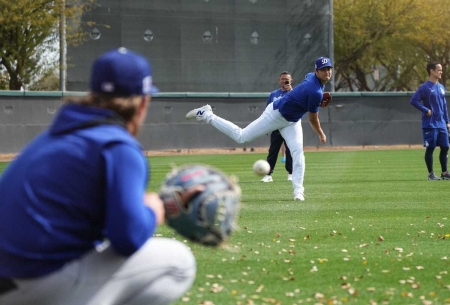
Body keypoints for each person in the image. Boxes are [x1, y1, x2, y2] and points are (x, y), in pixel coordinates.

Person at [0, 48, 198, 305]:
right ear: (143, 102)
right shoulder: (118, 147)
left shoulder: (53, 137)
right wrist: (155, 208)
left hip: (11, 282)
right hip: (34, 284)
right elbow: (127, 238)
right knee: (179, 262)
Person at [186, 56, 333, 201]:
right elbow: (313, 119)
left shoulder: (311, 78)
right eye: (323, 69)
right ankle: (207, 114)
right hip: (276, 114)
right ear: (316, 71)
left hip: (292, 121)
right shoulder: (315, 92)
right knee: (241, 137)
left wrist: (312, 101)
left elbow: (304, 94)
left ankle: (298, 192)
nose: (327, 72)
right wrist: (321, 133)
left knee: (298, 153)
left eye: (329, 69)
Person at [410, 61, 450, 181]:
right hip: (430, 124)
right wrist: (425, 110)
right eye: (439, 70)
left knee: (445, 146)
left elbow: (444, 106)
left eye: (441, 70)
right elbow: (413, 100)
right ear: (432, 71)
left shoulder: (441, 87)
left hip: (441, 124)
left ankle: (444, 172)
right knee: (431, 147)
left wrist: (447, 121)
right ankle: (431, 174)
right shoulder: (424, 87)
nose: (441, 72)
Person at [260, 71, 294, 183]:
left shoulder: (294, 93)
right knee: (273, 150)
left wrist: (291, 91)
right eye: (283, 79)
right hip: (276, 126)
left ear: (291, 81)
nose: (285, 81)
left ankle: (291, 173)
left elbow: (298, 105)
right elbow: (267, 111)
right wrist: (265, 125)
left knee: (290, 150)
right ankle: (268, 175)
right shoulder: (273, 94)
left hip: (288, 125)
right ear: (279, 80)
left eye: (287, 79)